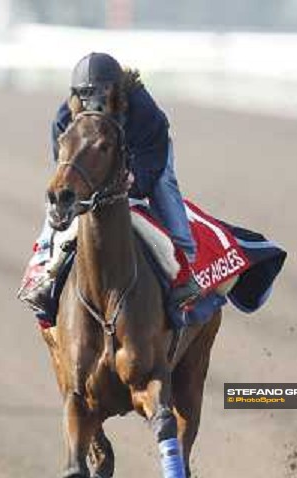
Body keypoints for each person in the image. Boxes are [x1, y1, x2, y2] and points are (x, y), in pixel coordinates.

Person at [18, 52, 201, 315]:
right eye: (85, 95)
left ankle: (186, 268)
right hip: (96, 157)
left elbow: (153, 158)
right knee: (60, 199)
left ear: (116, 91)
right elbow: (62, 154)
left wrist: (134, 179)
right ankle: (42, 272)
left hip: (146, 153)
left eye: (101, 94)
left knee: (164, 189)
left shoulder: (144, 111)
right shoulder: (66, 114)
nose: (93, 102)